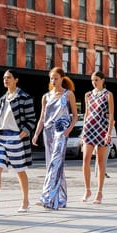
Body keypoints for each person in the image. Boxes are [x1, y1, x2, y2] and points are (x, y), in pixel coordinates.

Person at [0, 69, 36, 215]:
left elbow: (31, 120)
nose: (6, 80)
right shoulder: (2, 99)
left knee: (20, 170)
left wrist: (22, 134)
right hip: (0, 138)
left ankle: (25, 201)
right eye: (4, 78)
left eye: (9, 78)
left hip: (15, 138)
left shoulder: (24, 97)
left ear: (16, 79)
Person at [32, 68, 78, 210]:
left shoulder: (68, 94)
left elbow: (75, 116)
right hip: (48, 132)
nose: (53, 81)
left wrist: (67, 131)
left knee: (55, 163)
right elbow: (42, 117)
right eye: (51, 78)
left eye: (56, 78)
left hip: (61, 131)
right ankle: (62, 199)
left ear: (62, 78)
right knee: (54, 166)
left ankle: (46, 197)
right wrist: (36, 134)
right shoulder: (46, 97)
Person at [80, 71, 114, 204]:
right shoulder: (88, 95)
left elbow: (111, 115)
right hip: (89, 128)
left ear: (102, 80)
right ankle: (87, 190)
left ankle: (99, 193)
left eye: (97, 80)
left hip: (102, 129)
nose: (94, 82)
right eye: (93, 80)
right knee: (85, 159)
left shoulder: (108, 95)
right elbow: (87, 113)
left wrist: (109, 133)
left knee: (100, 162)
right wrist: (83, 131)